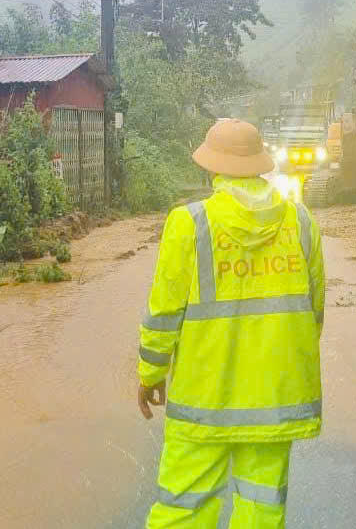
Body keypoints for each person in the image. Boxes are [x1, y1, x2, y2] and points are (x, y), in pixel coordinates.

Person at [137, 118, 325, 529]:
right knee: (261, 508)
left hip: (203, 399)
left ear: (210, 168)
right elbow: (313, 314)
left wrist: (150, 373)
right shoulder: (301, 222)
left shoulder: (189, 223)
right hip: (275, 398)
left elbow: (163, 313)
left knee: (182, 507)